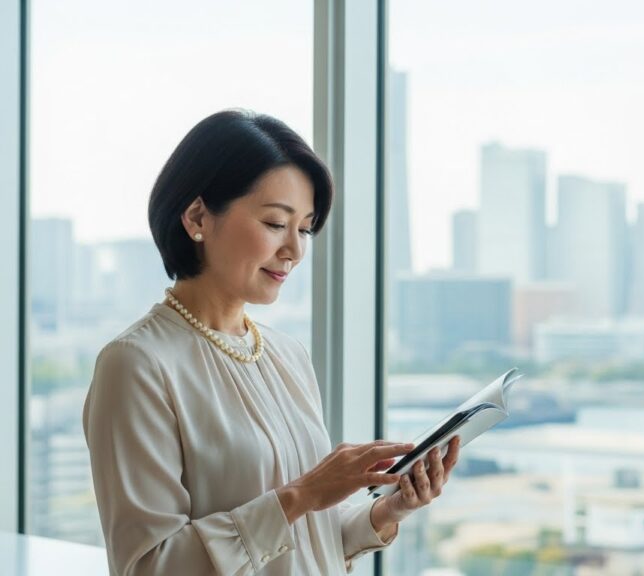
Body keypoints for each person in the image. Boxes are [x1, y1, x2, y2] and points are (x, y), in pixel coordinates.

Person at [82, 109, 459, 575]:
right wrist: (301, 495)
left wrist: (390, 509)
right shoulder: (137, 364)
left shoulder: (285, 354)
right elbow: (148, 566)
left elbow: (304, 542)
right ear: (198, 216)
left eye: (304, 228)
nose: (295, 251)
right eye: (276, 224)